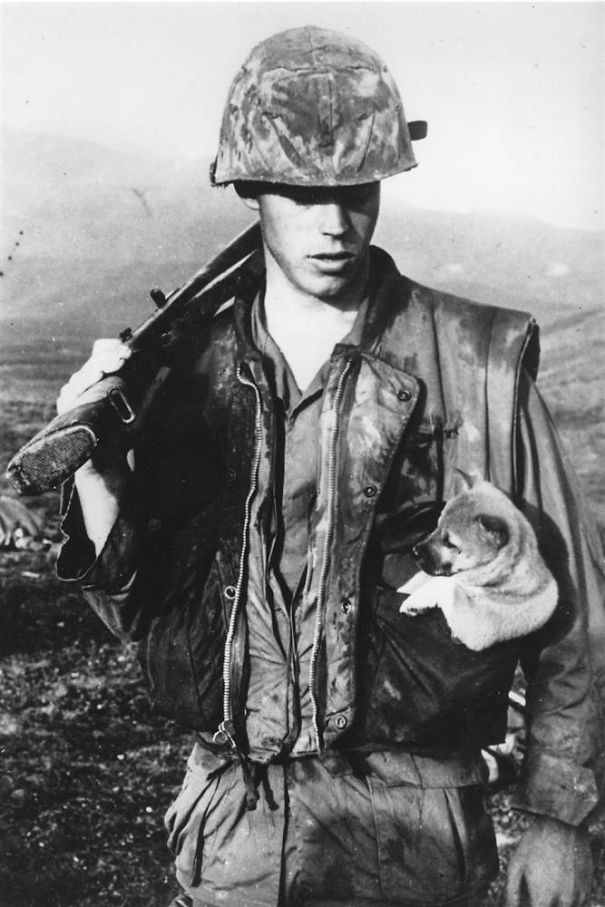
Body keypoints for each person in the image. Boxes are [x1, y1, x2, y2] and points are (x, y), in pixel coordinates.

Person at [55, 25, 605, 907]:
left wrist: (558, 819)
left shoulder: (478, 361)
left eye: (355, 188)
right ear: (246, 186)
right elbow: (147, 611)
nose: (332, 221)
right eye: (297, 191)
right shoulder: (179, 374)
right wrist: (95, 475)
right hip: (232, 822)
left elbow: (576, 615)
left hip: (415, 830)